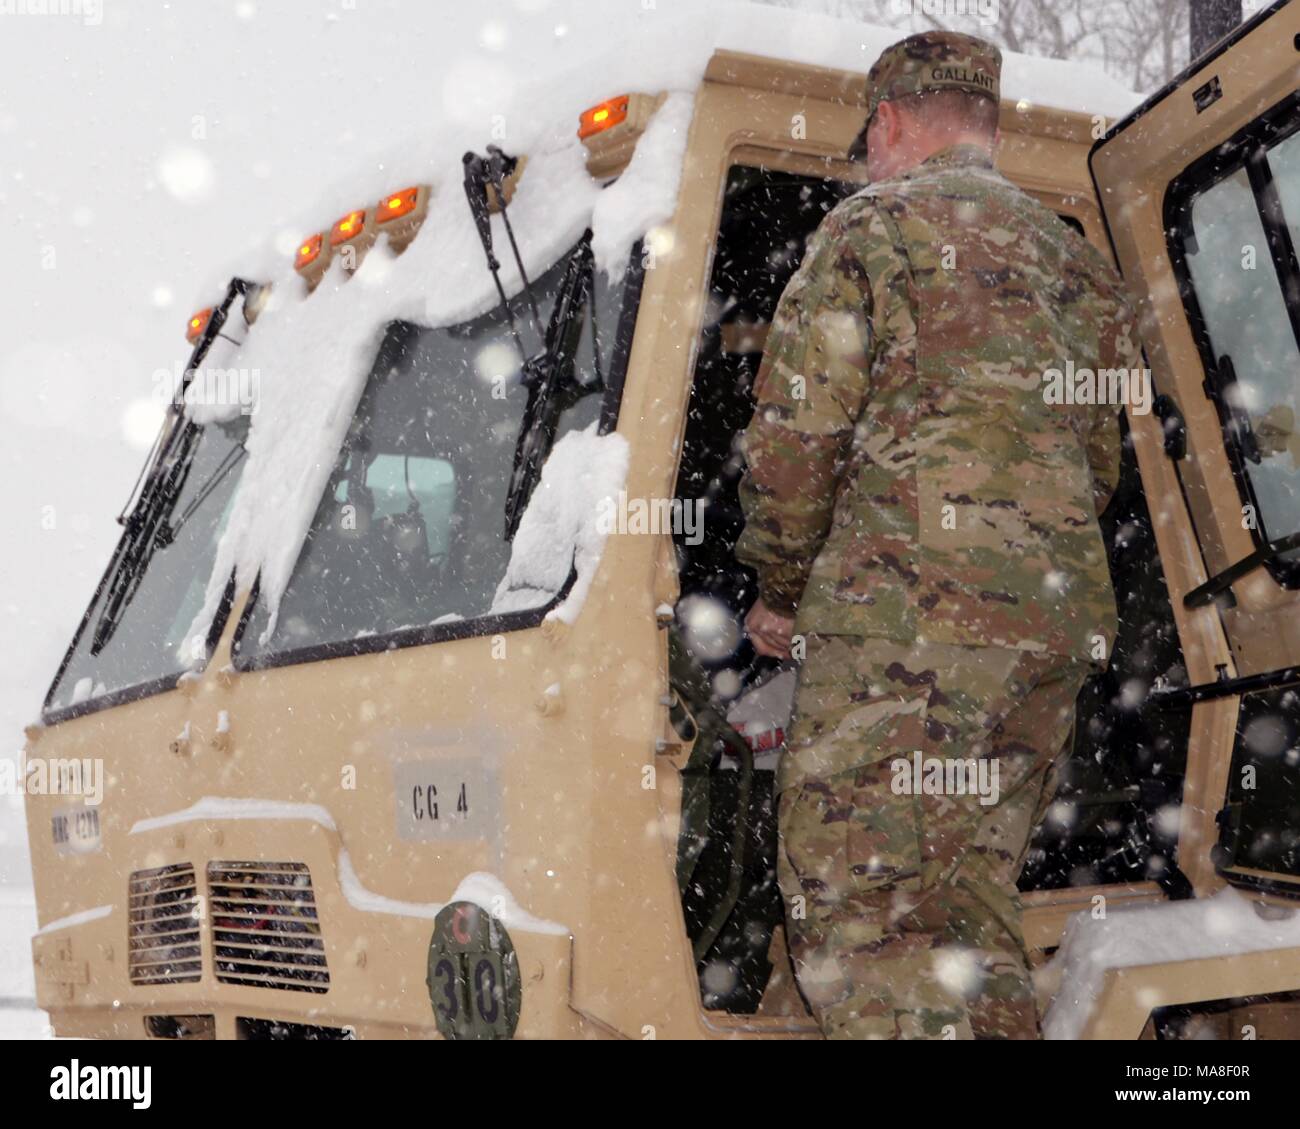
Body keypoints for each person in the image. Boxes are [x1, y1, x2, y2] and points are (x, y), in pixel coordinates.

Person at [735, 30, 1142, 1039]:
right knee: (961, 906)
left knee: (865, 917)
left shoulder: (866, 232)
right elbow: (1099, 463)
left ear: (889, 123)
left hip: (900, 625)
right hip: (1045, 634)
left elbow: (797, 438)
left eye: (866, 136)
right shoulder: (1074, 260)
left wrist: (779, 589)